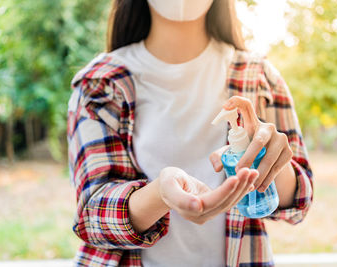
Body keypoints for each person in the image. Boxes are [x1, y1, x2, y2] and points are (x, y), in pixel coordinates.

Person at [67, 0, 313, 266]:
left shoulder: (260, 77)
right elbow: (91, 219)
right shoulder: (100, 83)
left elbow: (298, 205)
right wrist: (160, 193)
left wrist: (273, 162)